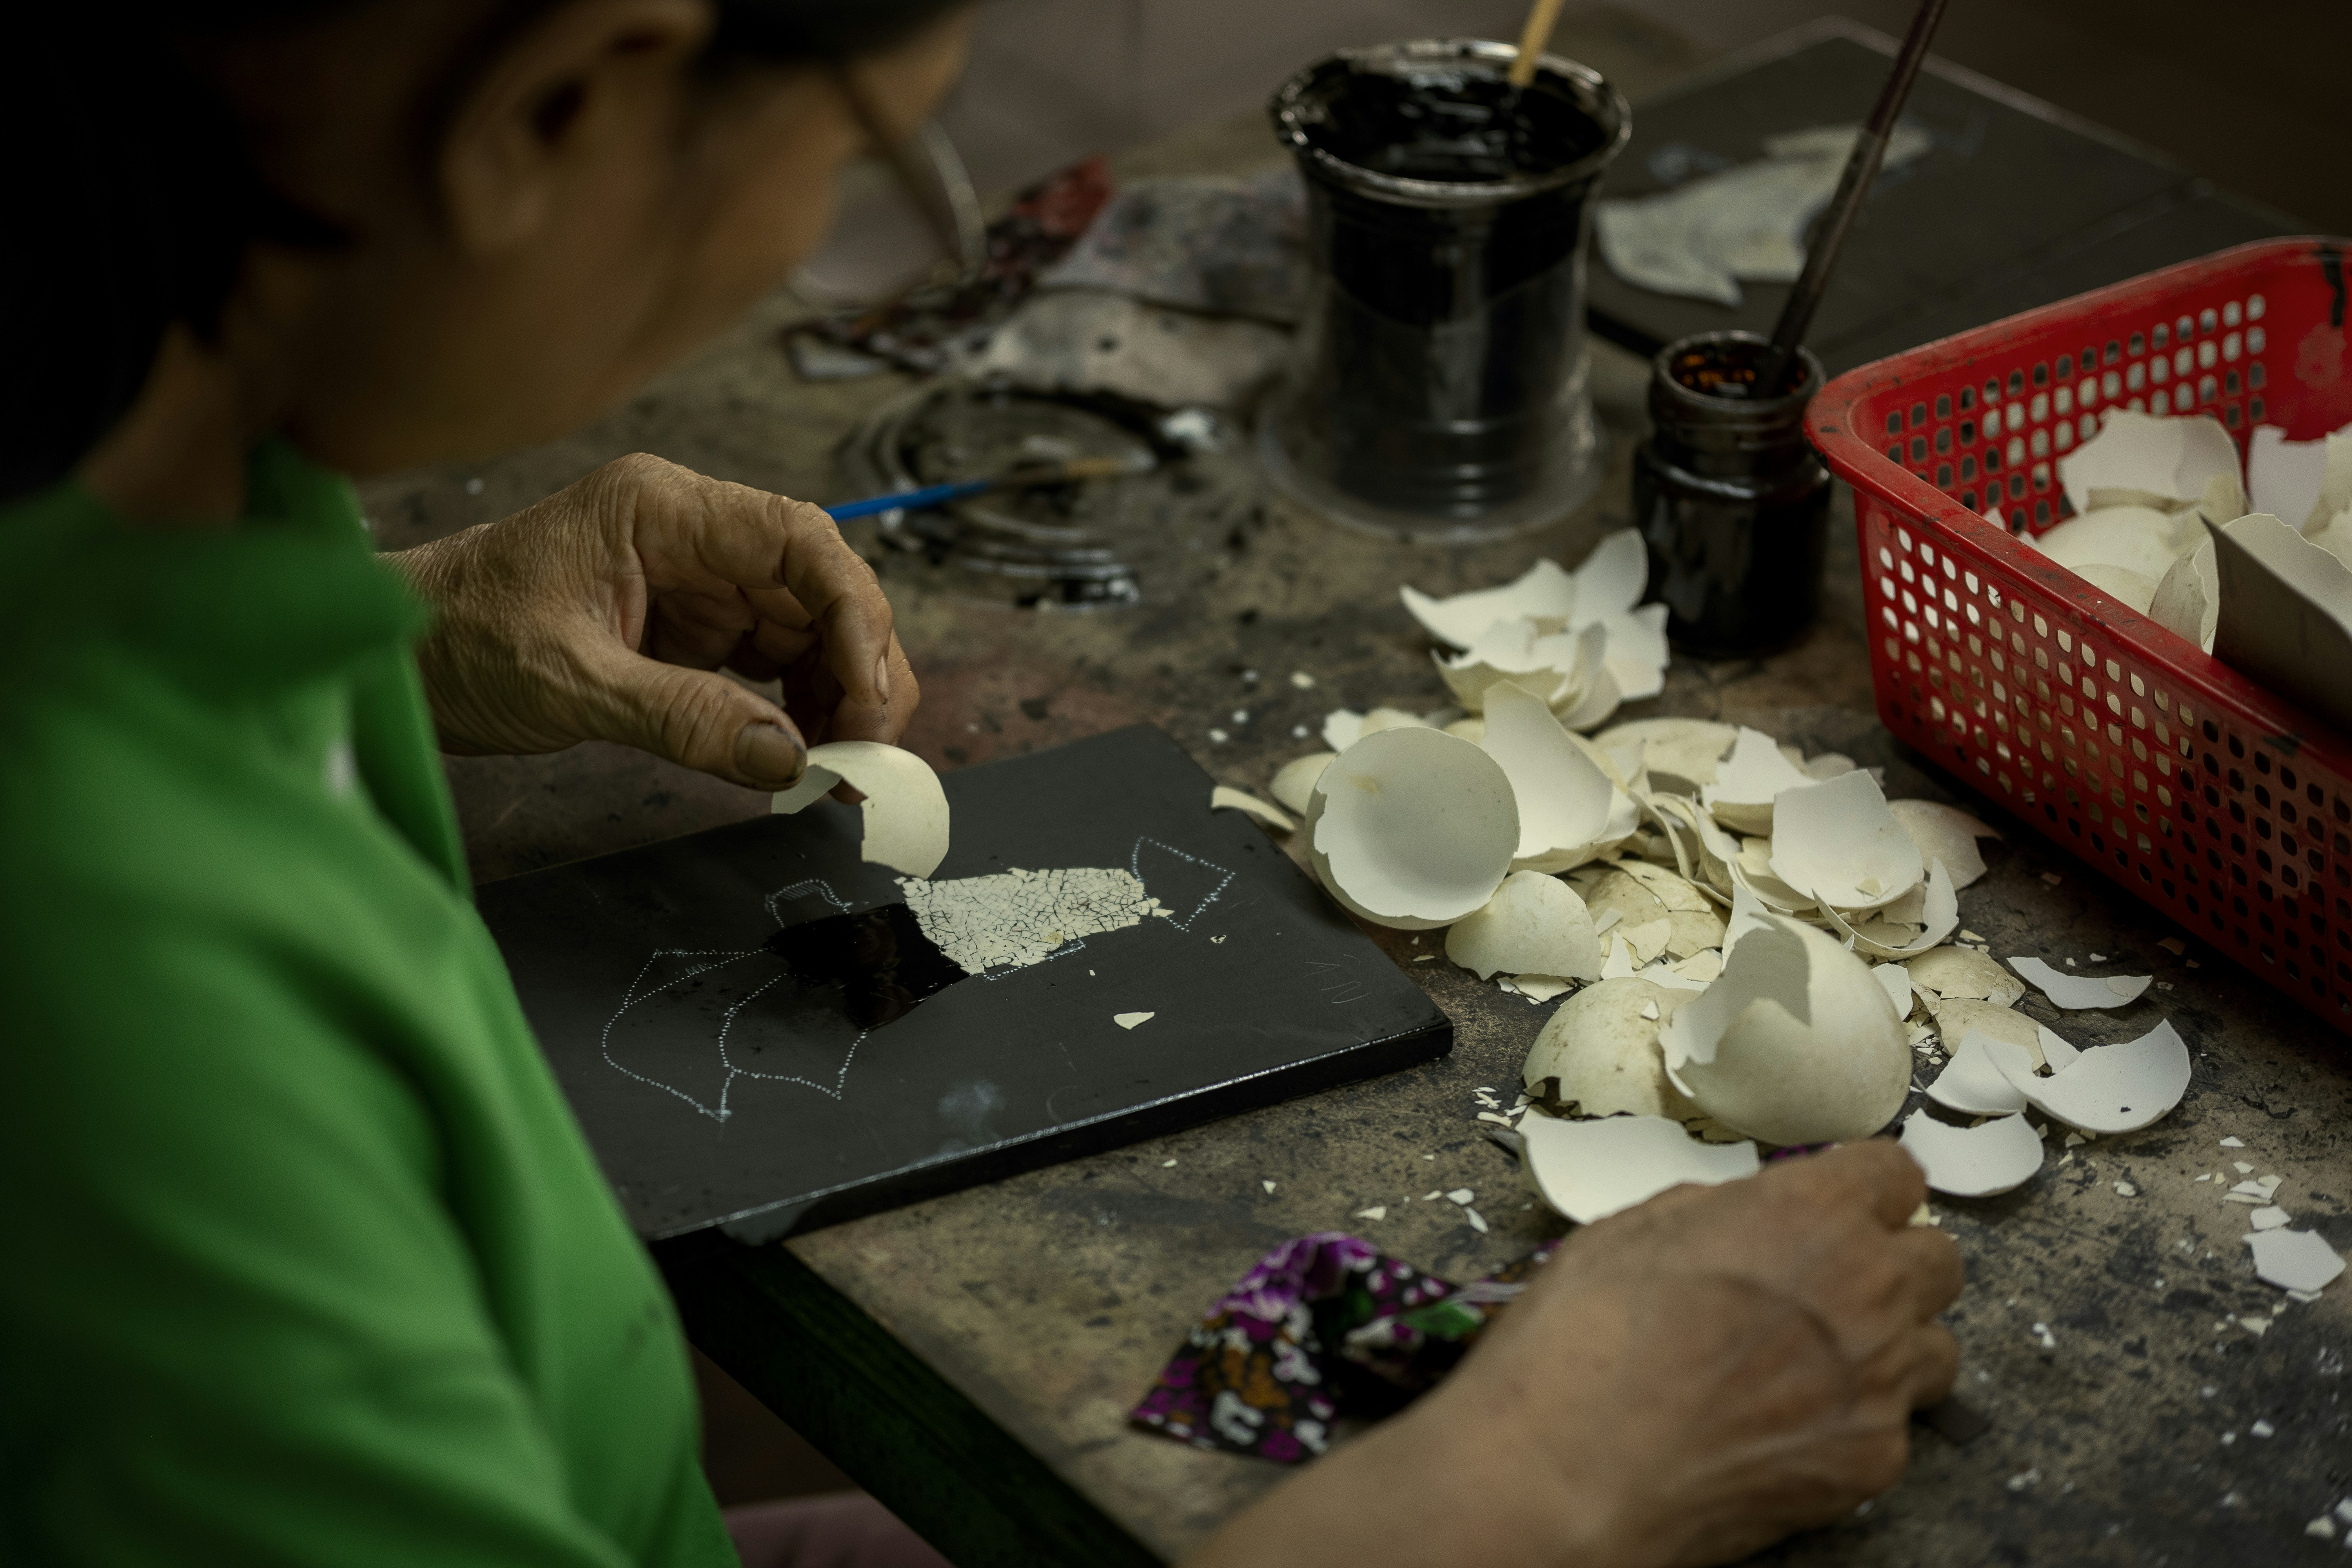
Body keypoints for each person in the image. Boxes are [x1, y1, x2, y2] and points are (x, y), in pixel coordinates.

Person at [0, 3, 1962, 1565]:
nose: (845, 222)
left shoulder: (163, 489)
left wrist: (416, 624)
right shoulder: (131, 1043)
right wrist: (1571, 1470)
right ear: (558, 105)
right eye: (876, 155)